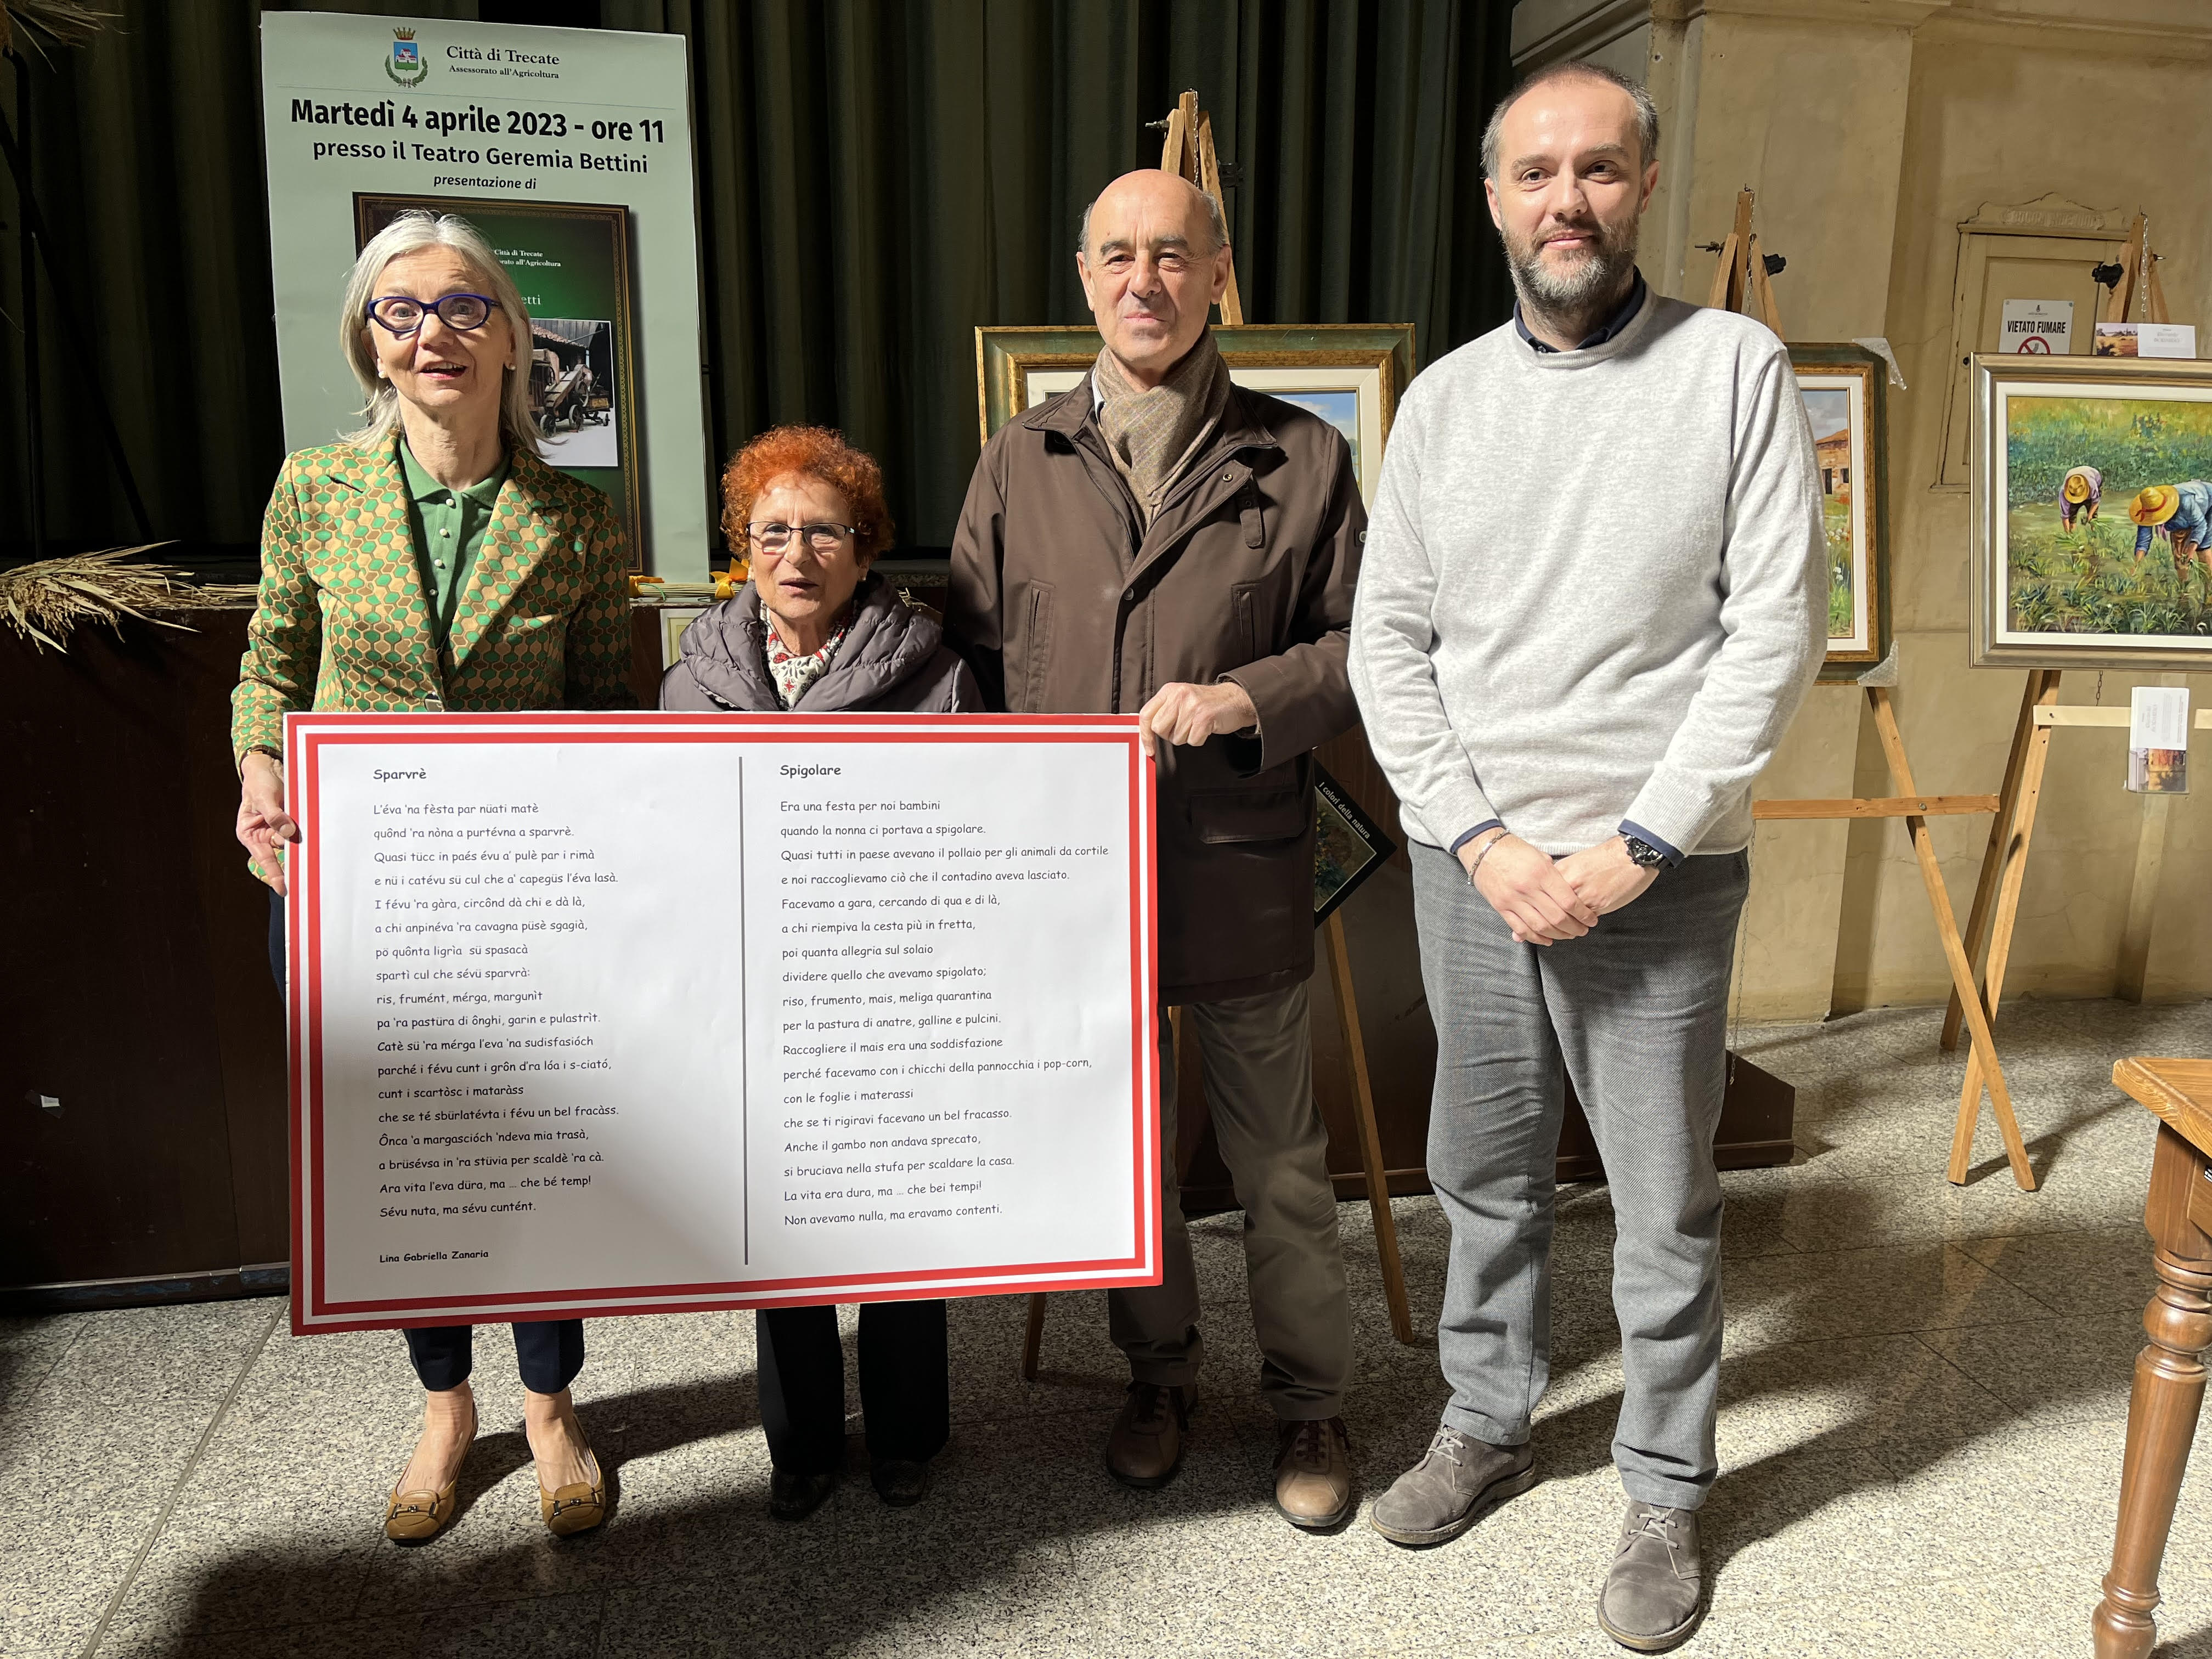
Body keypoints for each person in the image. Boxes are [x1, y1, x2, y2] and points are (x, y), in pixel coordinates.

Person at [1347, 63, 1823, 1652]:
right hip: (1472, 867)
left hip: (1657, 877)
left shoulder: (1737, 367)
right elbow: (1390, 646)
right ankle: (1486, 1421)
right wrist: (1482, 840)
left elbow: (1777, 631)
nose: (1568, 201)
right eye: (1536, 174)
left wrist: (1641, 841)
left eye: (1599, 171)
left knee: (1665, 1199)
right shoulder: (1451, 404)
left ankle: (1665, 1487)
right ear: (1494, 199)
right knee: (1483, 1181)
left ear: (1646, 184)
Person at [949, 168, 1367, 1531]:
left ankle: (1310, 1400)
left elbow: (1368, 648)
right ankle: (1159, 1374)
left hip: (1238, 869)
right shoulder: (1023, 460)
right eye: (1119, 255)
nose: (1146, 279)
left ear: (1216, 272)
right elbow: (967, 659)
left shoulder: (1302, 457)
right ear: (1084, 279)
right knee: (1126, 1159)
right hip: (1075, 890)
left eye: (1173, 255)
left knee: (1280, 1171)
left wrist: (1256, 697)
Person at [232, 209, 632, 1544]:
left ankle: (553, 1401)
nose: (434, 332)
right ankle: (446, 1401)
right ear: (371, 341)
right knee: (408, 1157)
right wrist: (257, 770)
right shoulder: (314, 491)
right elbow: (272, 666)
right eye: (402, 311)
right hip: (366, 892)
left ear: (515, 340)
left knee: (537, 1149)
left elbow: (606, 714)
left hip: (524, 899)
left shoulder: (577, 518)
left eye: (465, 306)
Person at [662, 425, 976, 1520]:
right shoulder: (690, 680)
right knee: (777, 1224)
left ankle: (907, 1435)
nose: (796, 554)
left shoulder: (936, 673)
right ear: (743, 549)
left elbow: (966, 836)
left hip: (889, 989)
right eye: (772, 531)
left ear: (866, 546)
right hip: (755, 997)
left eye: (824, 531)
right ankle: (800, 1448)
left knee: (899, 1221)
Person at [2130, 482, 2210, 603]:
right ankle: (2183, 592)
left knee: (2203, 549)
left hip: (2208, 504)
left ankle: (2209, 593)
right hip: (2181, 520)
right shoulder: (2146, 508)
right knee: (2179, 558)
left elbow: (2200, 525)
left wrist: (2191, 549)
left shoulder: (2186, 502)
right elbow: (2143, 540)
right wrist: (2137, 564)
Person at [2060, 465, 2102, 533]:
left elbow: (2096, 502)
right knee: (2072, 517)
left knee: (2093, 519)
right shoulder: (2063, 493)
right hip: (2075, 489)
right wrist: (2068, 536)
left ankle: (2094, 536)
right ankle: (2072, 535)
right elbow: (2065, 517)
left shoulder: (2092, 485)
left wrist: (2090, 515)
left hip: (2092, 481)